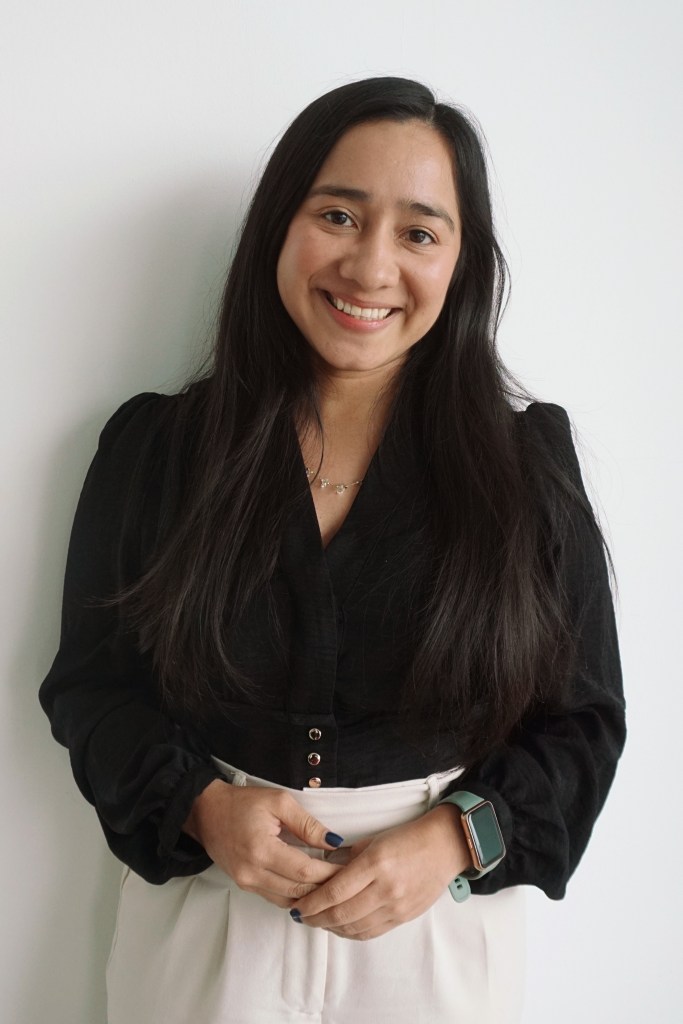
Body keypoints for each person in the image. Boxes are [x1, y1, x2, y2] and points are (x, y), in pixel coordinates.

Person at [40, 77, 625, 1024]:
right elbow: (92, 687)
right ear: (280, 223)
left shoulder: (523, 467)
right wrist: (201, 806)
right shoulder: (156, 449)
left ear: (461, 263)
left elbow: (584, 722)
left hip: (434, 930)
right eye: (338, 215)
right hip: (209, 917)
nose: (370, 266)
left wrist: (455, 838)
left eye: (419, 233)